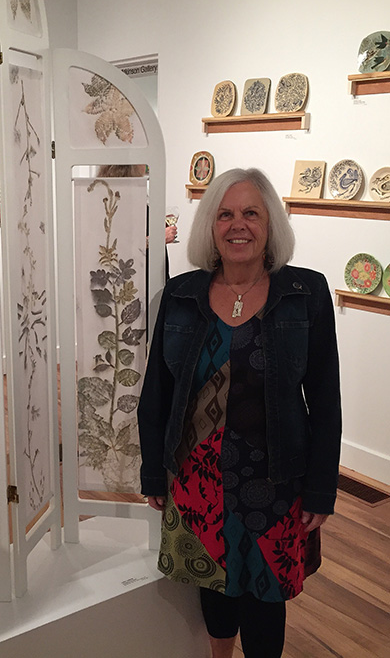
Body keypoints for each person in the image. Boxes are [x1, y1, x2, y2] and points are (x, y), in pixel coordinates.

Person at [137, 168, 341, 658]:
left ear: (270, 224)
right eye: (225, 214)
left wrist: (320, 488)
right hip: (196, 477)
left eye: (251, 212)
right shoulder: (183, 295)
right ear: (211, 225)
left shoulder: (304, 295)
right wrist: (152, 474)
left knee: (266, 598)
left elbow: (326, 400)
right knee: (213, 586)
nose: (238, 225)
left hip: (275, 482)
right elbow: (156, 393)